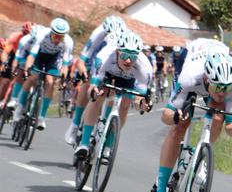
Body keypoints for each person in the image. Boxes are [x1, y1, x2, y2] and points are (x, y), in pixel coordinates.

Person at [148, 39, 232, 192]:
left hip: (215, 60)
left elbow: (231, 125)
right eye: (218, 87)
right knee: (180, 125)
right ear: (206, 79)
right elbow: (165, 116)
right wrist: (175, 116)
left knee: (218, 113)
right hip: (191, 59)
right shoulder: (190, 77)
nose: (222, 92)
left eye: (225, 88)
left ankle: (199, 156)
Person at [74, 30, 152, 160]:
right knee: (98, 98)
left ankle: (109, 145)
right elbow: (92, 87)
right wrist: (94, 92)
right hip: (107, 73)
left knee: (126, 104)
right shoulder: (104, 56)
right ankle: (84, 143)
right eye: (124, 55)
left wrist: (142, 105)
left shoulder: (145, 67)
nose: (128, 60)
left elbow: (140, 98)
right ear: (117, 52)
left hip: (129, 79)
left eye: (133, 57)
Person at [64, 15, 125, 144]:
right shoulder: (98, 34)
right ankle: (75, 124)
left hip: (115, 61)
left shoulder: (124, 37)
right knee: (88, 82)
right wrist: (84, 73)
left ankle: (104, 123)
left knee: (112, 89)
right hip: (97, 58)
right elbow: (83, 59)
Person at [13, 18, 73, 130]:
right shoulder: (42, 34)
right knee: (32, 77)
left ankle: (42, 117)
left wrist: (63, 79)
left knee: (50, 82)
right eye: (56, 36)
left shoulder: (68, 42)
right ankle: (19, 108)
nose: (58, 39)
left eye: (61, 37)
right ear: (51, 32)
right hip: (39, 56)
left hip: (53, 59)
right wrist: (27, 69)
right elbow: (32, 55)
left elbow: (65, 64)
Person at [0, 22, 33, 107]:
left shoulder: (36, 39)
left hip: (28, 57)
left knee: (25, 79)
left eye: (29, 34)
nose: (27, 36)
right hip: (15, 55)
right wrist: (4, 63)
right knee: (5, 81)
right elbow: (5, 52)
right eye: (25, 33)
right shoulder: (15, 37)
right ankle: (2, 100)